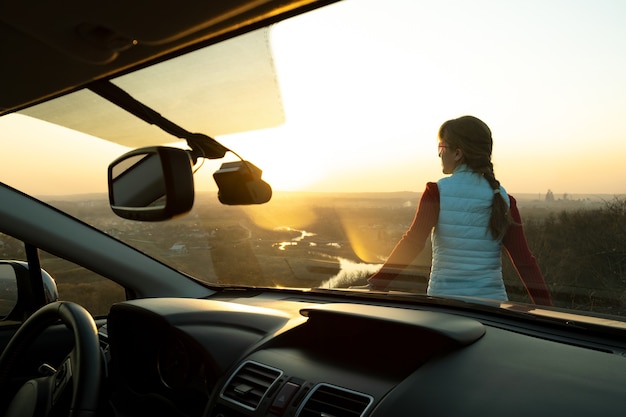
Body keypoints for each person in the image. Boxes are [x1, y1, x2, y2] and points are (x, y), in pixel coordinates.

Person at [368, 115, 552, 306]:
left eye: (442, 147)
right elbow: (524, 262)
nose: (439, 154)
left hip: (445, 306)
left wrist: (377, 284)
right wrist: (548, 311)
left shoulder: (436, 193)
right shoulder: (504, 199)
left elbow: (413, 242)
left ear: (457, 153)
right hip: (493, 311)